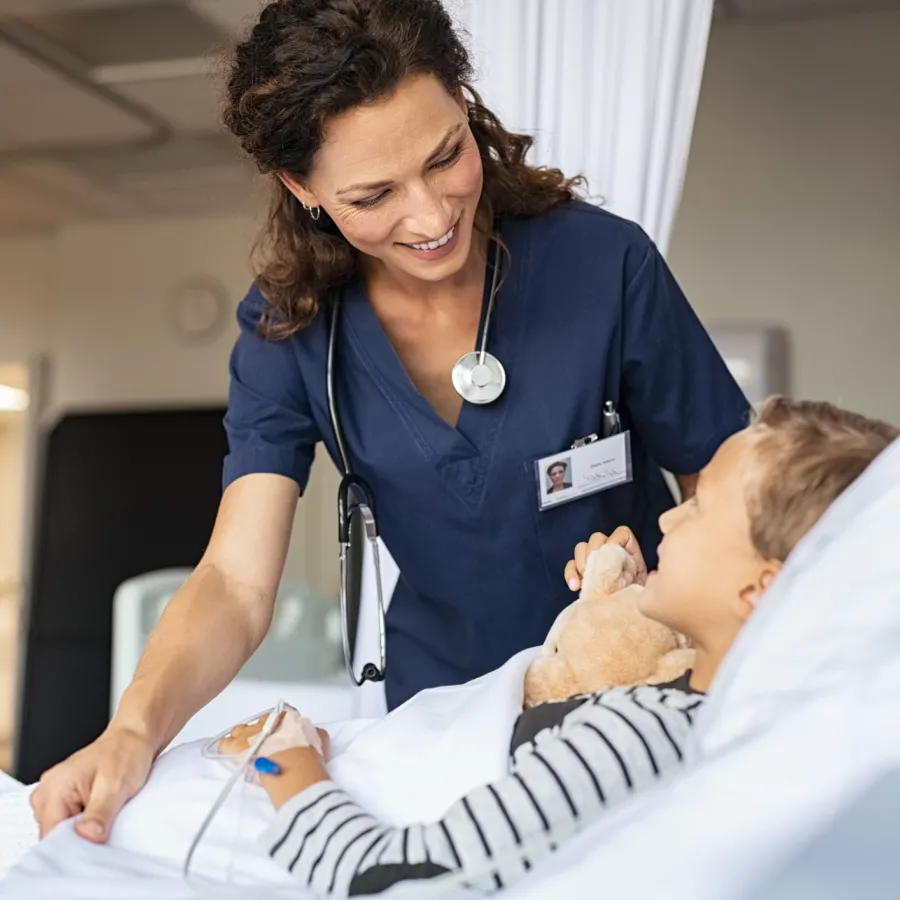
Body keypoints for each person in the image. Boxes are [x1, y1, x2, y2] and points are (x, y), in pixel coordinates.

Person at [30, 0, 750, 842]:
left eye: (446, 154)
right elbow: (234, 581)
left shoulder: (603, 265)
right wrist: (133, 731)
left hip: (635, 693)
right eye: (373, 195)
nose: (431, 215)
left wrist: (741, 666)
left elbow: (730, 484)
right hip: (442, 720)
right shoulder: (291, 331)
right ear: (304, 190)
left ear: (463, 97)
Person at [218, 398, 898, 897]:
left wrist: (285, 760)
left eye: (698, 508)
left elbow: (393, 880)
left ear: (761, 590)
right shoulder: (695, 706)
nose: (666, 517)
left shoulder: (644, 735)